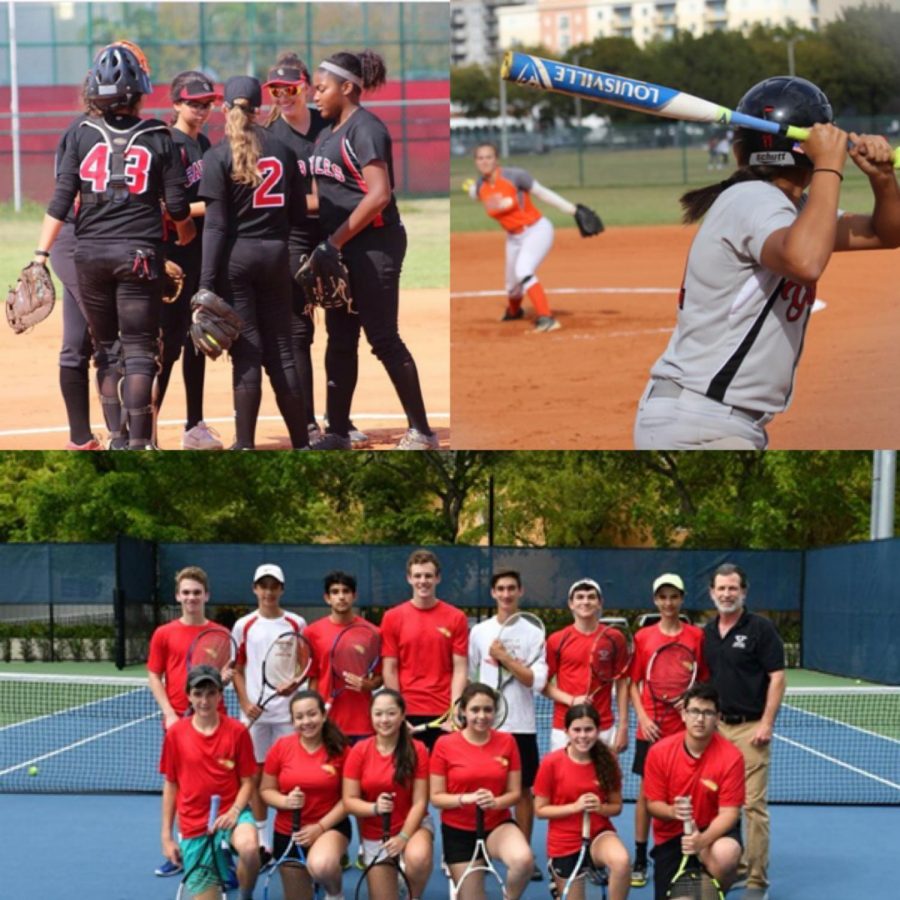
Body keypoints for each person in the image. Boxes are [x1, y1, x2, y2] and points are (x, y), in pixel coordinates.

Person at [634, 76, 900, 450]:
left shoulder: (793, 210)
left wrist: (883, 179)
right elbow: (805, 262)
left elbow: (885, 234)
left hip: (710, 418)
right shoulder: (751, 199)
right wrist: (829, 167)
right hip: (701, 417)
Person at [34, 41, 196, 449]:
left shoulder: (80, 133)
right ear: (141, 89)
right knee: (140, 351)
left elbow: (59, 201)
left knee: (105, 350)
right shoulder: (160, 134)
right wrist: (185, 235)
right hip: (139, 253)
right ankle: (140, 442)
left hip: (88, 254)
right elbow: (177, 206)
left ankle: (116, 438)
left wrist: (39, 257)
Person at [309, 49, 439, 450]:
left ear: (347, 88)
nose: (316, 95)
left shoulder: (365, 129)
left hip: (374, 244)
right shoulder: (325, 133)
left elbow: (379, 195)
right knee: (340, 336)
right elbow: (323, 198)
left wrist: (333, 242)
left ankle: (422, 432)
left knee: (382, 337)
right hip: (343, 246)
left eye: (322, 88)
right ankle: (338, 430)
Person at [197, 75, 310, 450]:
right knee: (282, 351)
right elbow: (297, 213)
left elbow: (215, 226)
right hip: (276, 255)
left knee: (247, 351)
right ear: (260, 109)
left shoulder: (217, 156)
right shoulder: (283, 149)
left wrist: (206, 284)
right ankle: (301, 443)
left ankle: (244, 444)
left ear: (226, 108)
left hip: (237, 259)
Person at [703, 564, 785, 900]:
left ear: (743, 592)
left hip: (751, 730)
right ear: (712, 593)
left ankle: (756, 881)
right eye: (721, 589)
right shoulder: (707, 632)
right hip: (716, 729)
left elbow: (777, 677)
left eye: (732, 588)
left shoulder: (761, 629)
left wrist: (766, 723)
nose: (726, 594)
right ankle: (731, 867)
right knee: (721, 803)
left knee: (752, 806)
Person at [147, 565, 232, 878]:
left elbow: (224, 677)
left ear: (206, 595)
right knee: (182, 788)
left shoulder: (221, 634)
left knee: (218, 785)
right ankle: (178, 849)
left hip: (215, 724)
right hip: (178, 726)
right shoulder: (164, 634)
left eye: (197, 592)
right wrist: (170, 713)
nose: (191, 598)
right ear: (177, 596)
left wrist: (223, 682)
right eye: (186, 592)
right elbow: (154, 675)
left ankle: (223, 852)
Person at [627, 573, 708, 889]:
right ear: (655, 601)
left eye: (674, 596)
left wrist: (688, 702)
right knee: (648, 794)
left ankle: (690, 849)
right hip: (651, 732)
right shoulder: (643, 637)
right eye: (662, 597)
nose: (668, 603)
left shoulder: (695, 637)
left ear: (682, 599)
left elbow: (702, 679)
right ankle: (639, 855)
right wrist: (643, 718)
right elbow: (632, 683)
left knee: (691, 790)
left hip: (685, 731)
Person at [468, 569, 547, 881]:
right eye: (500, 589)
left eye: (511, 588)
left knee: (523, 791)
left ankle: (524, 852)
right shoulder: (479, 632)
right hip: (487, 726)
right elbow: (473, 675)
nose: (506, 594)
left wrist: (504, 658)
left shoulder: (534, 632)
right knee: (484, 786)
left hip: (522, 725)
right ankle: (483, 848)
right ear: (493, 593)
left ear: (520, 591)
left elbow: (533, 681)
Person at [158, 70, 223, 451]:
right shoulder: (169, 143)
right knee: (168, 347)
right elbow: (167, 206)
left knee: (197, 340)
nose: (202, 109)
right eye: (193, 103)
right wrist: (215, 207)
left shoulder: (205, 144)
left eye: (207, 103)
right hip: (174, 260)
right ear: (176, 104)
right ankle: (145, 427)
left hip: (200, 256)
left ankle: (194, 425)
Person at [464, 141, 587, 332]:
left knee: (523, 269)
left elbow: (542, 193)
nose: (484, 161)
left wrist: (573, 210)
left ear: (496, 159)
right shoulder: (480, 187)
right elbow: (475, 192)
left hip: (536, 230)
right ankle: (514, 312)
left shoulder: (515, 176)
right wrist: (470, 189)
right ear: (475, 162)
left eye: (489, 157)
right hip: (513, 237)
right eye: (480, 158)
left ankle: (547, 318)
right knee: (512, 286)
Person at [160, 665, 259, 900]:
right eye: (198, 693)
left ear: (219, 695)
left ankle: (245, 895)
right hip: (194, 824)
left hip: (231, 814)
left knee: (250, 848)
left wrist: (235, 811)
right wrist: (166, 836)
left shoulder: (237, 731)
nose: (204, 700)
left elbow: (248, 782)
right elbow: (171, 785)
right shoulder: (175, 735)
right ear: (188, 696)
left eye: (211, 693)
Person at [232, 563, 308, 867]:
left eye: (273, 586)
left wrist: (297, 683)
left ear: (282, 589)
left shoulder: (296, 622)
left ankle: (292, 835)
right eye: (263, 586)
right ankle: (263, 842)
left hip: (288, 715)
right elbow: (236, 668)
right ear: (255, 590)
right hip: (255, 715)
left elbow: (306, 663)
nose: (268, 592)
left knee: (290, 777)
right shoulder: (243, 625)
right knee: (256, 776)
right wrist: (246, 701)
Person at [430, 683, 534, 900]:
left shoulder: (507, 741)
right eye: (475, 709)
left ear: (495, 712)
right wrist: (466, 799)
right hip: (459, 832)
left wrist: (495, 802)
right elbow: (436, 798)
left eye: (488, 709)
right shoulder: (444, 744)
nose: (482, 716)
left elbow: (515, 793)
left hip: (497, 825)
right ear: (463, 711)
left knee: (523, 861)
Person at [643, 683, 744, 900]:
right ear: (683, 714)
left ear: (718, 718)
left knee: (727, 854)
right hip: (672, 836)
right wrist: (672, 812)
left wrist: (703, 840)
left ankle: (714, 893)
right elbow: (652, 805)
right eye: (695, 711)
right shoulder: (659, 752)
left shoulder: (732, 757)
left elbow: (730, 813)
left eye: (708, 713)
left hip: (713, 830)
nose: (700, 719)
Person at [51, 76, 105, 450]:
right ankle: (113, 435)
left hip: (94, 242)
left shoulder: (123, 132)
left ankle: (82, 438)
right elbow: (66, 198)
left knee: (76, 343)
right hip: (76, 241)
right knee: (109, 339)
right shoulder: (80, 132)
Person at [534, 704, 632, 900]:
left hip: (598, 835)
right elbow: (540, 810)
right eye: (577, 729)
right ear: (566, 732)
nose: (583, 735)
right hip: (563, 842)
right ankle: (557, 878)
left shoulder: (608, 761)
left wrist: (600, 808)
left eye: (588, 729)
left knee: (622, 862)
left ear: (597, 731)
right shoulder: (551, 763)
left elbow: (616, 807)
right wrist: (574, 807)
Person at [260, 690, 350, 900]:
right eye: (299, 717)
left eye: (312, 714)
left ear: (323, 715)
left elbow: (348, 799)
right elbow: (265, 791)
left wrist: (319, 828)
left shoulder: (341, 750)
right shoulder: (280, 748)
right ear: (292, 721)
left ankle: (334, 893)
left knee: (322, 866)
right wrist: (285, 801)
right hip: (288, 833)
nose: (306, 721)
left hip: (330, 827)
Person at [343, 689, 433, 898]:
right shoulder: (359, 751)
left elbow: (420, 801)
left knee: (418, 858)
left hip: (413, 825)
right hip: (376, 833)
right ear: (371, 716)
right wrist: (374, 808)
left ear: (402, 715)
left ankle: (413, 895)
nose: (385, 719)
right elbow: (349, 801)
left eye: (391, 713)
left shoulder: (417, 749)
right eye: (378, 714)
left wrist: (403, 837)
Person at [381, 549, 468, 752]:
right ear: (409, 579)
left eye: (428, 576)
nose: (423, 581)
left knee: (442, 779)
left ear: (437, 578)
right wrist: (397, 711)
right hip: (407, 712)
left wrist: (455, 709)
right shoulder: (392, 617)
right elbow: (390, 669)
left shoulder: (456, 617)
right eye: (418, 576)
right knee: (409, 779)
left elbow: (460, 668)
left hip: (444, 713)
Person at [545, 579, 629, 754]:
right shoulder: (556, 640)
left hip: (603, 726)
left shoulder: (615, 638)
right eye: (580, 597)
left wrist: (623, 727)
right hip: (564, 727)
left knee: (604, 781)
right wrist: (572, 700)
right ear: (571, 604)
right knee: (563, 780)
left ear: (600, 603)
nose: (585, 601)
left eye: (591, 597)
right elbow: (543, 685)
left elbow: (621, 683)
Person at [305, 570, 382, 743]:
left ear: (354, 596)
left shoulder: (373, 633)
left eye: (346, 591)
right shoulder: (312, 632)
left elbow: (379, 677)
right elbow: (313, 679)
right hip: (327, 723)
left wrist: (368, 685)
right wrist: (312, 714)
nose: (341, 597)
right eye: (335, 592)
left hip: (363, 724)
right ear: (327, 598)